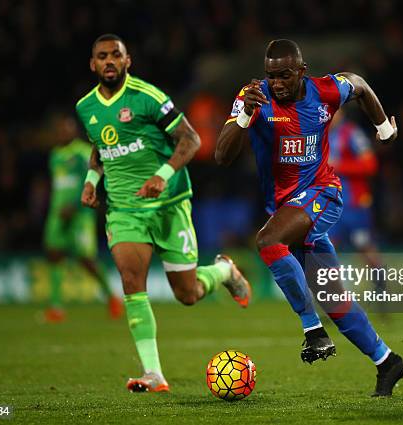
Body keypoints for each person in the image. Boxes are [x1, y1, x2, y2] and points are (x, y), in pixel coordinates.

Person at [215, 39, 403, 397]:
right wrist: (243, 116)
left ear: (301, 71)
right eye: (271, 76)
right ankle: (387, 361)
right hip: (288, 209)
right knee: (335, 300)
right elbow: (222, 156)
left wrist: (384, 129)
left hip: (324, 193)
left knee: (268, 240)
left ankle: (312, 331)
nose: (277, 83)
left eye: (284, 76)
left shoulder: (326, 90)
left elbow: (361, 85)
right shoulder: (253, 96)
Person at [76, 34, 251, 393]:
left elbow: (191, 140)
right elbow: (100, 146)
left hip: (170, 203)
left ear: (128, 61)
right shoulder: (85, 107)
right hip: (125, 209)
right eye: (102, 56)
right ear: (93, 64)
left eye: (116, 55)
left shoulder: (148, 97)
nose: (109, 61)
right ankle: (153, 373)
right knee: (130, 282)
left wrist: (162, 175)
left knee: (187, 294)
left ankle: (223, 271)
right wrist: (92, 180)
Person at [43, 113, 123, 322]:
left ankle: (111, 296)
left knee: (85, 258)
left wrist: (75, 204)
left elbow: (92, 178)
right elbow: (58, 185)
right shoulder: (54, 155)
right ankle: (56, 306)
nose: (63, 132)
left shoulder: (82, 152)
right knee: (54, 253)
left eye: (67, 128)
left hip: (80, 213)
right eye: (59, 129)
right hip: (57, 213)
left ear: (74, 130)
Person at [328, 110, 386, 296]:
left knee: (365, 248)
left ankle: (381, 292)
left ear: (341, 112)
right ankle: (331, 298)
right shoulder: (320, 135)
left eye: (333, 111)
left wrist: (338, 165)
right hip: (330, 204)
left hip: (354, 205)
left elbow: (370, 165)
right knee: (327, 249)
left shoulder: (352, 133)